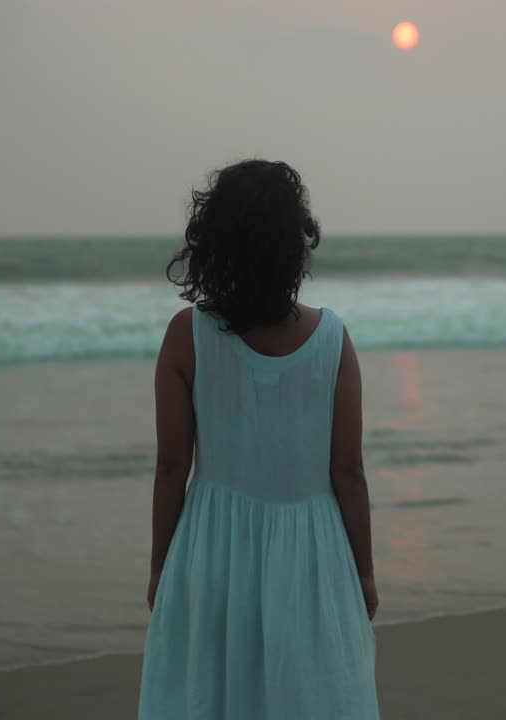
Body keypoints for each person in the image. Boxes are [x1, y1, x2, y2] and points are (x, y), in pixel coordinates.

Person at [138, 159, 380, 719]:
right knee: (309, 694)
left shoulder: (186, 336)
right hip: (312, 549)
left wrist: (160, 565)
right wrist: (363, 571)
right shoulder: (333, 340)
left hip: (212, 545)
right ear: (296, 245)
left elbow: (172, 466)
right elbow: (348, 470)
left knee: (215, 694)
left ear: (213, 240)